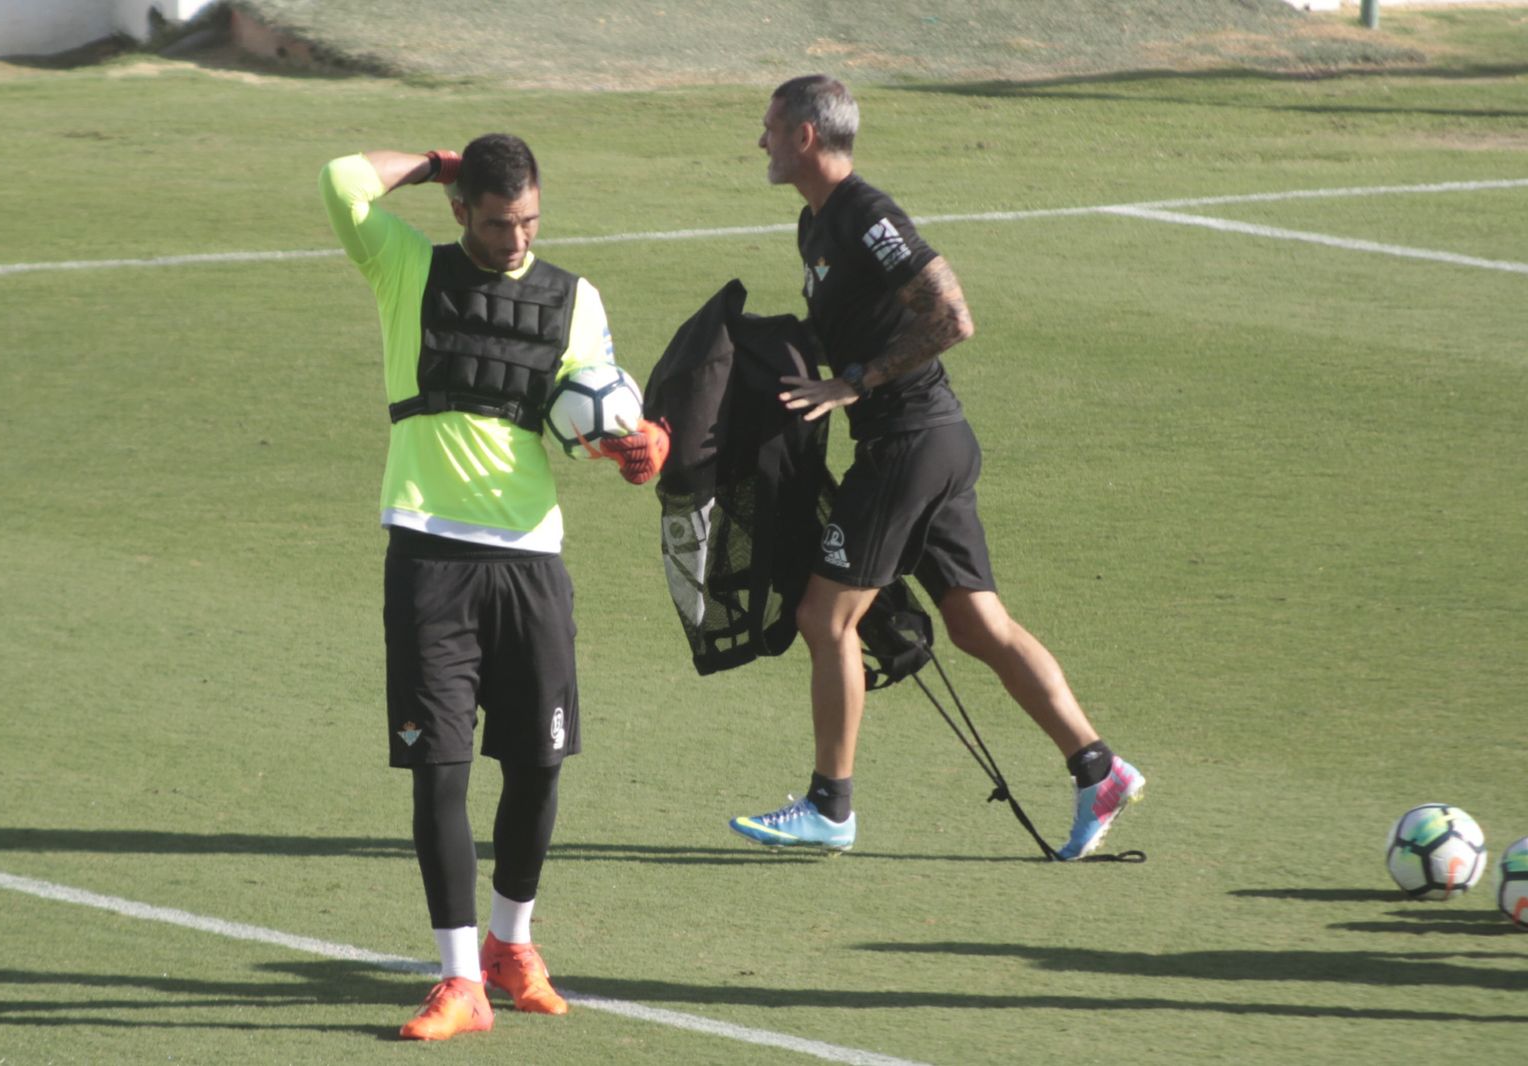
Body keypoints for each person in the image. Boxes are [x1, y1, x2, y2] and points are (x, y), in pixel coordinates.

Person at [728, 75, 1143, 861]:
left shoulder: (866, 217)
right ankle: (1099, 767)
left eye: (772, 128)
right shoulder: (814, 228)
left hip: (910, 445)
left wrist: (858, 383)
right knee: (977, 624)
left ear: (808, 137)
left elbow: (952, 316)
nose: (763, 143)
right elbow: (851, 331)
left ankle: (830, 806)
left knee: (827, 619)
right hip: (933, 442)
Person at [320, 135, 668, 1041]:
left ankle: (514, 946)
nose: (518, 239)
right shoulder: (404, 267)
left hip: (531, 560)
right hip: (429, 554)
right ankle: (459, 979)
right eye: (499, 221)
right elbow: (341, 180)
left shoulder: (573, 297)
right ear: (460, 211)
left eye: (530, 222)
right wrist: (436, 161)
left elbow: (580, 408)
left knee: (539, 763)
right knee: (440, 770)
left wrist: (629, 448)